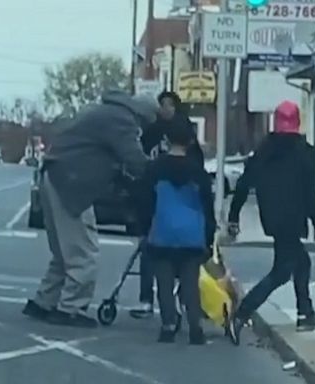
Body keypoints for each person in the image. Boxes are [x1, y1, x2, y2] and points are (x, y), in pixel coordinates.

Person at [22, 90, 159, 328]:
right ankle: (70, 308)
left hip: (55, 175)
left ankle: (45, 301)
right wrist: (160, 170)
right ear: (144, 116)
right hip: (71, 184)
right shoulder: (122, 120)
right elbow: (134, 158)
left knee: (65, 252)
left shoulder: (104, 111)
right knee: (84, 253)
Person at [227, 100, 315, 346]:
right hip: (294, 217)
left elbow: (242, 184)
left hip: (272, 217)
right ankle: (242, 313)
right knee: (281, 272)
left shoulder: (263, 150)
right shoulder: (305, 151)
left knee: (301, 262)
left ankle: (306, 312)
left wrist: (233, 216)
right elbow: (310, 192)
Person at [136, 116, 216, 345]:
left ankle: (168, 324)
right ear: (190, 141)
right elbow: (207, 207)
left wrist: (143, 228)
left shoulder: (155, 169)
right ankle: (195, 327)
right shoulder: (198, 173)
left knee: (164, 281)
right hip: (192, 236)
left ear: (166, 140)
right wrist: (209, 237)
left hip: (162, 232)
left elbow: (144, 200)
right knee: (190, 283)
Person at [130, 90, 204, 319]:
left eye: (170, 104)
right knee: (149, 253)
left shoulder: (184, 134)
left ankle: (178, 306)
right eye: (162, 105)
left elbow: (198, 168)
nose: (166, 109)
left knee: (174, 260)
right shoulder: (153, 132)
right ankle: (147, 299)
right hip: (158, 198)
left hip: (180, 199)